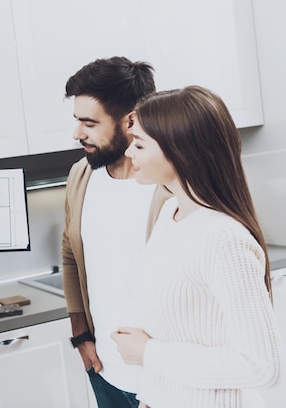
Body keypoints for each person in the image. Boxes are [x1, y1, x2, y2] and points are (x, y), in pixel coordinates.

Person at [112, 85, 283, 408]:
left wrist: (148, 352)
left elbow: (262, 366)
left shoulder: (224, 240)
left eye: (139, 144)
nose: (129, 153)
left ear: (180, 151)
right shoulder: (169, 214)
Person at [61, 56, 171, 408]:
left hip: (164, 379)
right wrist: (81, 336)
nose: (77, 133)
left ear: (130, 120)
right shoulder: (81, 175)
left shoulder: (170, 184)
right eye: (77, 120)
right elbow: (70, 256)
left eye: (89, 123)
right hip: (106, 371)